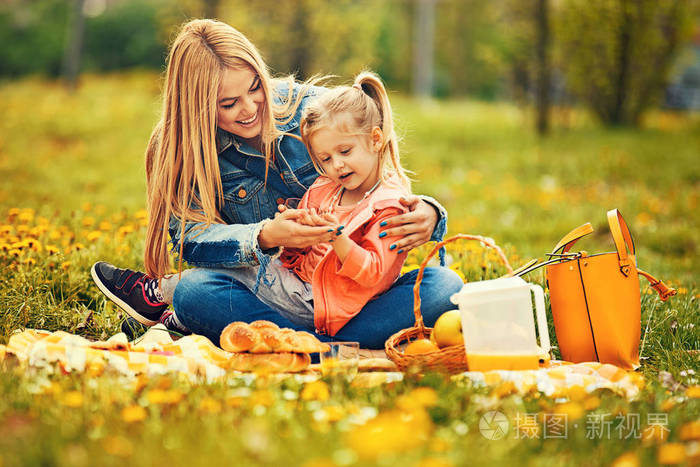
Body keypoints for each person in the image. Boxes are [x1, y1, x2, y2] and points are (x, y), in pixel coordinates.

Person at [90, 19, 463, 348]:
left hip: (355, 297)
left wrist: (428, 213)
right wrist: (266, 236)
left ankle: (297, 344)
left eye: (255, 87)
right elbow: (191, 239)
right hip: (279, 294)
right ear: (198, 106)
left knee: (444, 287)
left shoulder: (315, 111)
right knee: (193, 292)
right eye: (229, 103)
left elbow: (380, 172)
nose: (250, 107)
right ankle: (328, 344)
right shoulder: (182, 149)